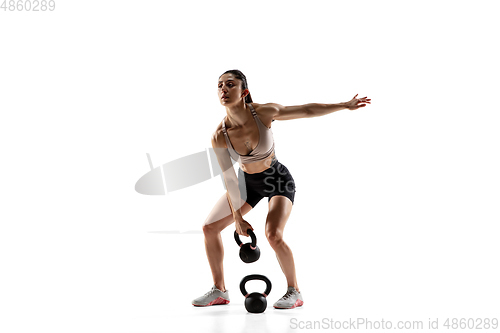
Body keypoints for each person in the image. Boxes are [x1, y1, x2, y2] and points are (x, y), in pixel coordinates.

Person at [192, 69, 371, 309]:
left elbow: (306, 110)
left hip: (276, 179)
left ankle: (294, 291)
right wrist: (237, 218)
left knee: (273, 235)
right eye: (220, 85)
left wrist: (344, 105)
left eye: (230, 84)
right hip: (247, 183)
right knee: (209, 227)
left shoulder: (264, 113)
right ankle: (219, 290)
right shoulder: (219, 135)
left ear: (243, 92)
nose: (223, 89)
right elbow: (229, 179)